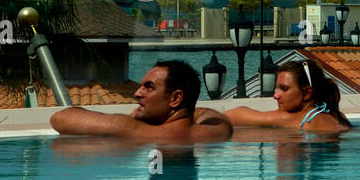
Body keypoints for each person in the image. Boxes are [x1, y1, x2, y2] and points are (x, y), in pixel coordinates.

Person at [50, 60, 232, 141]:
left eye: (148, 87)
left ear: (175, 98)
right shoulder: (217, 132)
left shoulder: (134, 130)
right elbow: (210, 114)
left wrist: (132, 117)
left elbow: (60, 118)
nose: (137, 93)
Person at [225, 60, 351, 132]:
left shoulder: (293, 119)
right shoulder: (338, 116)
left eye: (284, 89)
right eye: (277, 88)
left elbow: (232, 116)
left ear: (307, 92)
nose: (275, 95)